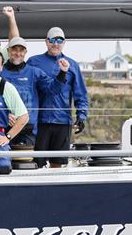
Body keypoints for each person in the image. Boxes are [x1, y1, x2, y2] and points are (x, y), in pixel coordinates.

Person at [0, 6, 69, 149]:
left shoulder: (34, 72)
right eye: (14, 50)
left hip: (28, 128)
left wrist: (62, 73)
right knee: (3, 165)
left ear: (25, 52)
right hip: (3, 126)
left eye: (21, 50)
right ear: (8, 51)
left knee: (25, 165)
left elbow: (53, 90)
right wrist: (4, 114)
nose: (17, 53)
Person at [25, 23, 89, 168]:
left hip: (63, 121)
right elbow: (26, 90)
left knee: (57, 163)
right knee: (36, 163)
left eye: (60, 40)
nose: (56, 44)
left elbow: (81, 93)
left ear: (64, 43)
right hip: (39, 121)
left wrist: (82, 115)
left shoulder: (72, 65)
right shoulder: (33, 62)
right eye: (52, 40)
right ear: (46, 42)